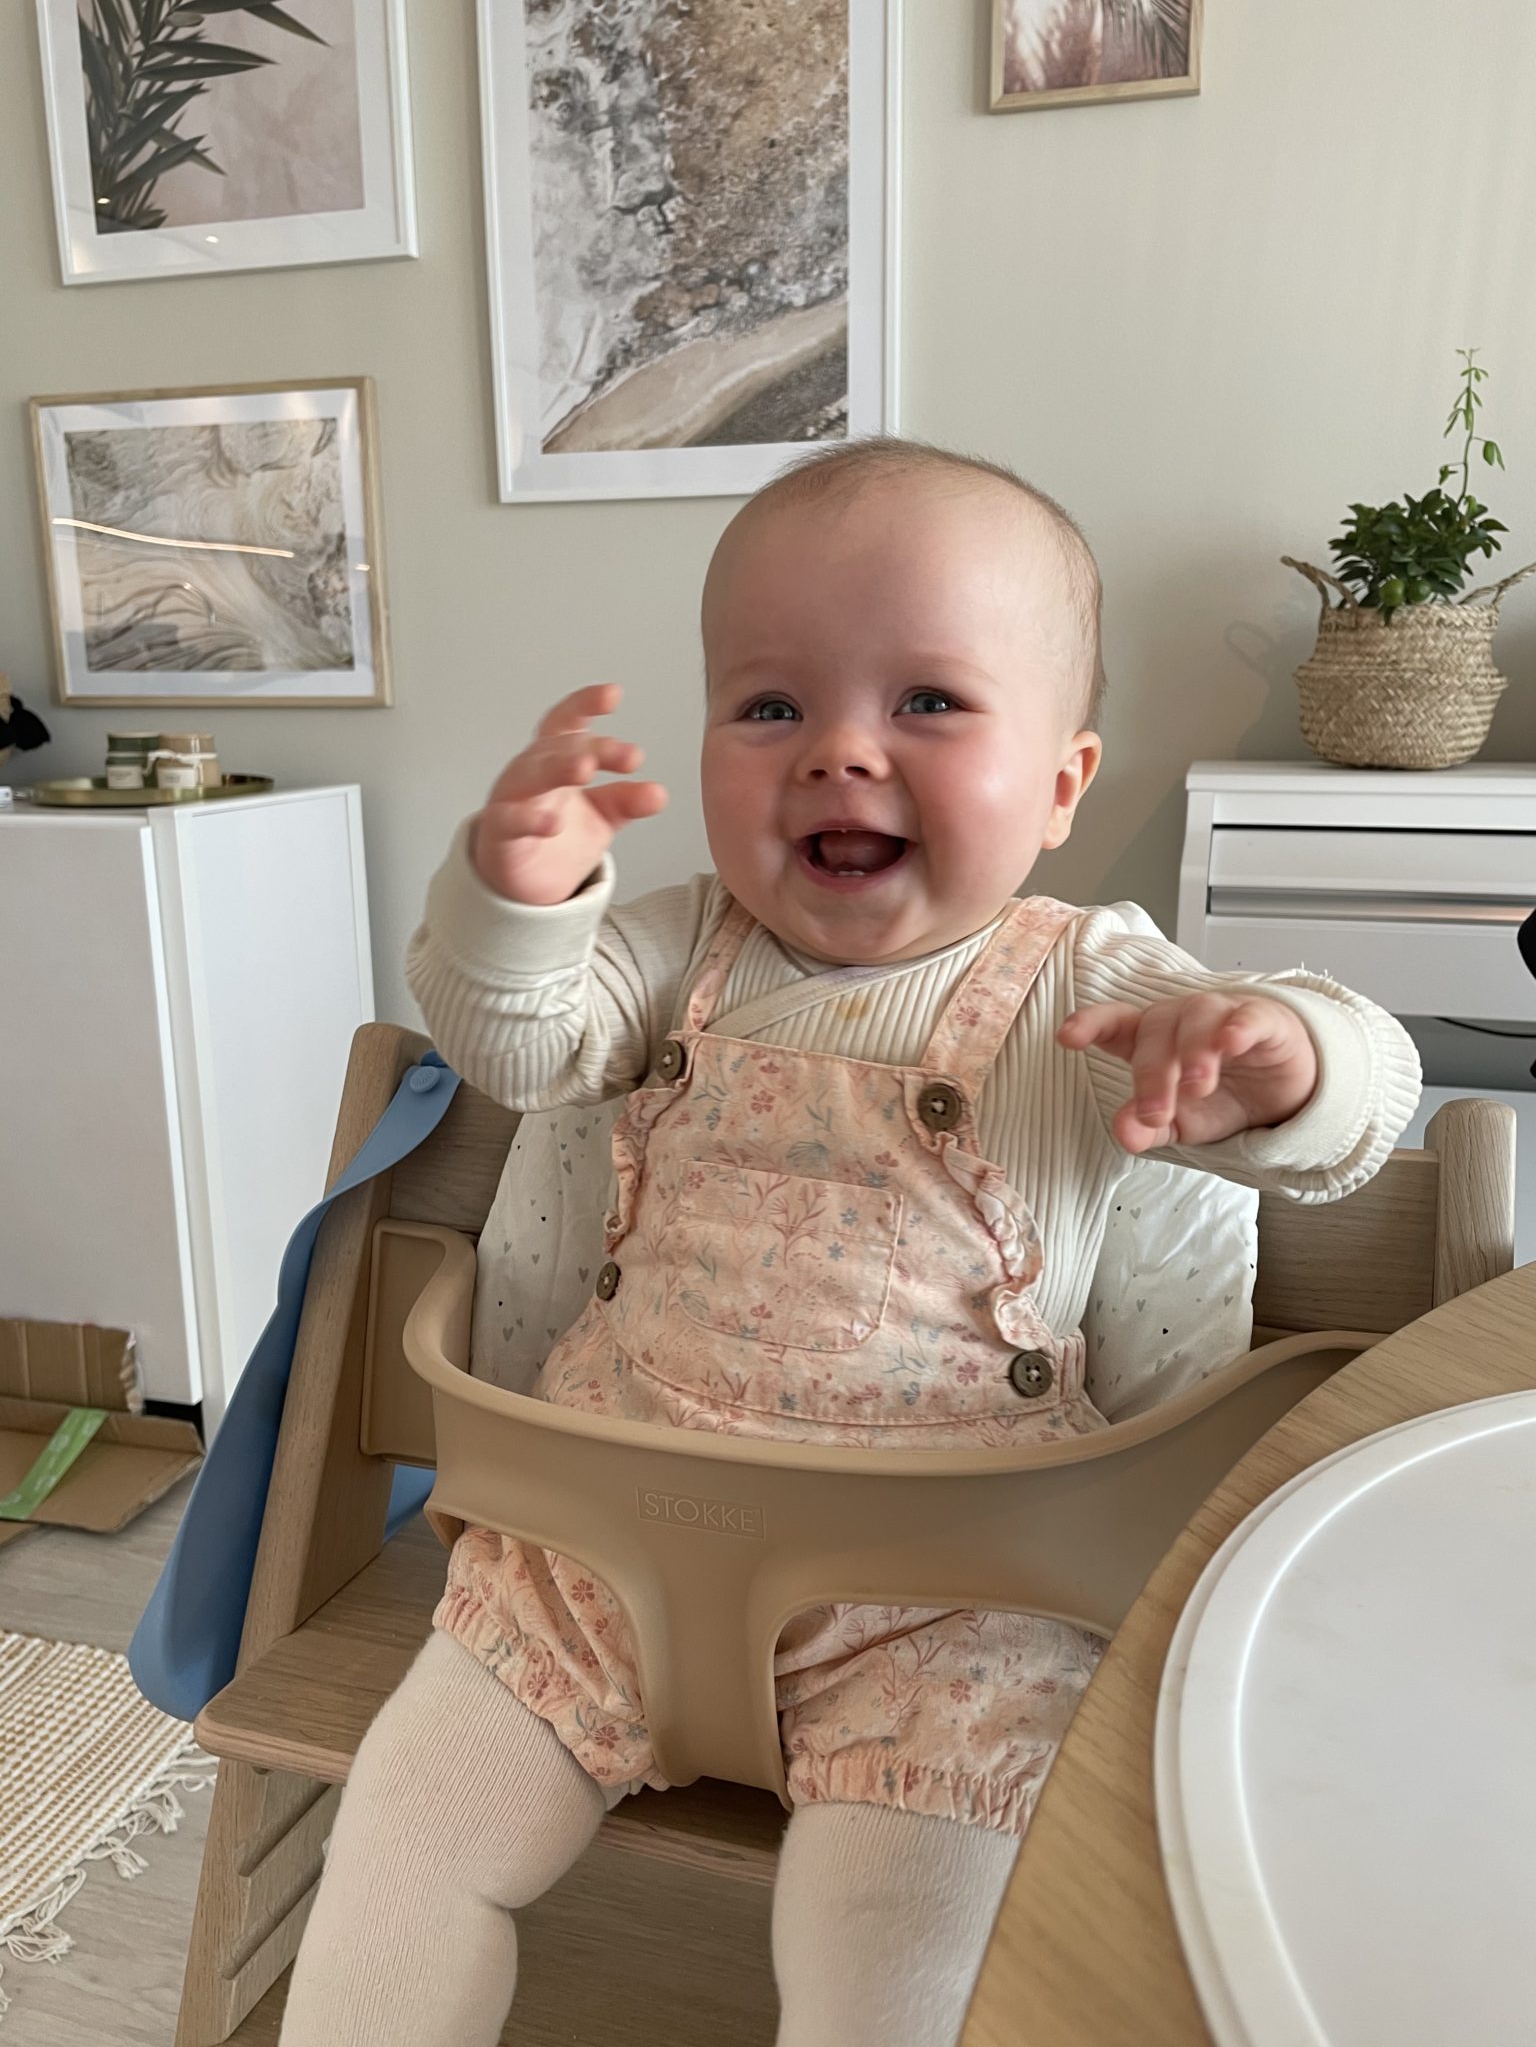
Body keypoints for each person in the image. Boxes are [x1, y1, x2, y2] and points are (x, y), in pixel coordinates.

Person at [281, 439, 1419, 2047]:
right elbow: (519, 1048)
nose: (839, 751)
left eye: (929, 701)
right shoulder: (679, 945)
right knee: (402, 1843)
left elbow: (1366, 1111)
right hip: (596, 1553)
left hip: (947, 1604)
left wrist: (1289, 1063)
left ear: (1064, 782)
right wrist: (513, 903)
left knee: (901, 1979)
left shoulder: (1090, 982)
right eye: (770, 706)